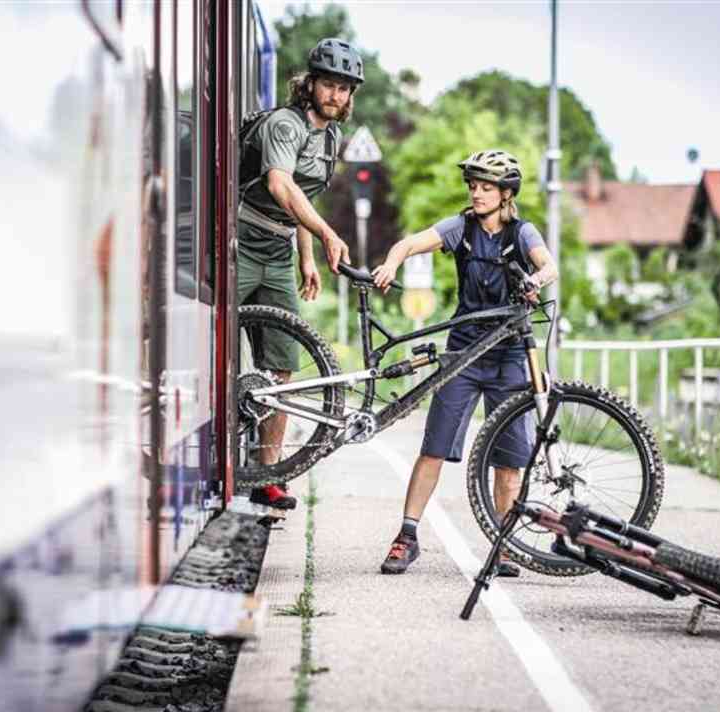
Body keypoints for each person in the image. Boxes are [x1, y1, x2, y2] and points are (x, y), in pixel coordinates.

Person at [370, 149, 559, 575]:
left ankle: (504, 545)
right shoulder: (462, 228)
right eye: (473, 186)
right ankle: (406, 536)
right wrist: (391, 262)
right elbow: (411, 242)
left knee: (509, 460)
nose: (476, 193)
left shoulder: (523, 232)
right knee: (434, 448)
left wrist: (535, 280)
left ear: (506, 193)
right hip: (465, 353)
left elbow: (549, 266)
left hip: (510, 355)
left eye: (485, 187)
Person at [237, 38, 363, 510]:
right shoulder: (285, 125)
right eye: (330, 84)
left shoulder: (330, 139)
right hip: (238, 241)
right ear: (310, 84)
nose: (337, 95)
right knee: (212, 347)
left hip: (278, 249)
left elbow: (300, 201)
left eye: (345, 89)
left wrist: (306, 256)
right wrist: (329, 234)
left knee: (284, 365)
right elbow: (280, 184)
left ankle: (268, 474)